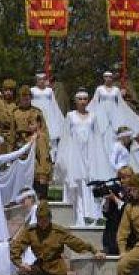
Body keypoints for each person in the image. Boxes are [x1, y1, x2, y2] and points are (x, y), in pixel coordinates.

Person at [11, 202, 105, 275]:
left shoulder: (58, 232)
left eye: (45, 220)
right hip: (40, 267)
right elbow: (17, 246)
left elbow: (77, 243)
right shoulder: (30, 231)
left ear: (50, 218)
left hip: (57, 271)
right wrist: (19, 262)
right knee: (23, 273)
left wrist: (94, 251)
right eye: (40, 220)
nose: (42, 223)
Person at [55, 91, 112, 226]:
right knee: (75, 183)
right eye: (80, 99)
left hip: (89, 154)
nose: (82, 101)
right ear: (75, 100)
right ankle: (76, 215)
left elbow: (97, 137)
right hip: (73, 155)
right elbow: (65, 137)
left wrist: (99, 159)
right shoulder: (70, 116)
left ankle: (90, 214)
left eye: (85, 99)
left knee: (88, 181)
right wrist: (63, 159)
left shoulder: (93, 116)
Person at [92, 70, 139, 150]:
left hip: (114, 112)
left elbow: (121, 103)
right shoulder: (99, 89)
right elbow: (94, 102)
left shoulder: (116, 89)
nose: (108, 79)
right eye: (106, 77)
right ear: (104, 78)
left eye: (110, 77)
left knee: (116, 130)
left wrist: (124, 94)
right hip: (102, 113)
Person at [29, 72, 65, 148]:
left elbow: (54, 104)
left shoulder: (49, 90)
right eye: (39, 79)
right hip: (37, 114)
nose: (41, 81)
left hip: (49, 116)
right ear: (36, 80)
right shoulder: (32, 90)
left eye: (43, 79)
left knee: (51, 137)